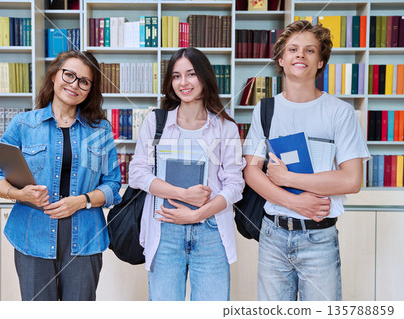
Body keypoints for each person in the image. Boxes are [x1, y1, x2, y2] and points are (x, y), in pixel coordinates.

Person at [0, 50, 122, 301]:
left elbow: (112, 185)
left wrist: (82, 200)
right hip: (33, 234)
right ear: (55, 76)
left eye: (84, 81)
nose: (74, 85)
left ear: (90, 90)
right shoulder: (23, 125)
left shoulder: (100, 130)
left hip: (84, 237)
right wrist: (18, 194)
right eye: (69, 75)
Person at [242, 20, 370, 301]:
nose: (300, 55)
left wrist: (288, 178)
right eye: (293, 49)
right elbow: (251, 173)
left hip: (319, 239)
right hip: (273, 236)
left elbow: (351, 180)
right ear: (281, 59)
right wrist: (293, 201)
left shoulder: (340, 113)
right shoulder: (265, 110)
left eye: (310, 50)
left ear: (321, 61)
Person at [129, 47, 245, 301]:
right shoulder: (155, 122)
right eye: (176, 76)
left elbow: (235, 184)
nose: (183, 82)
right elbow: (137, 173)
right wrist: (181, 194)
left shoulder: (226, 127)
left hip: (211, 230)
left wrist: (198, 213)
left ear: (205, 77)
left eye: (191, 74)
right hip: (165, 229)